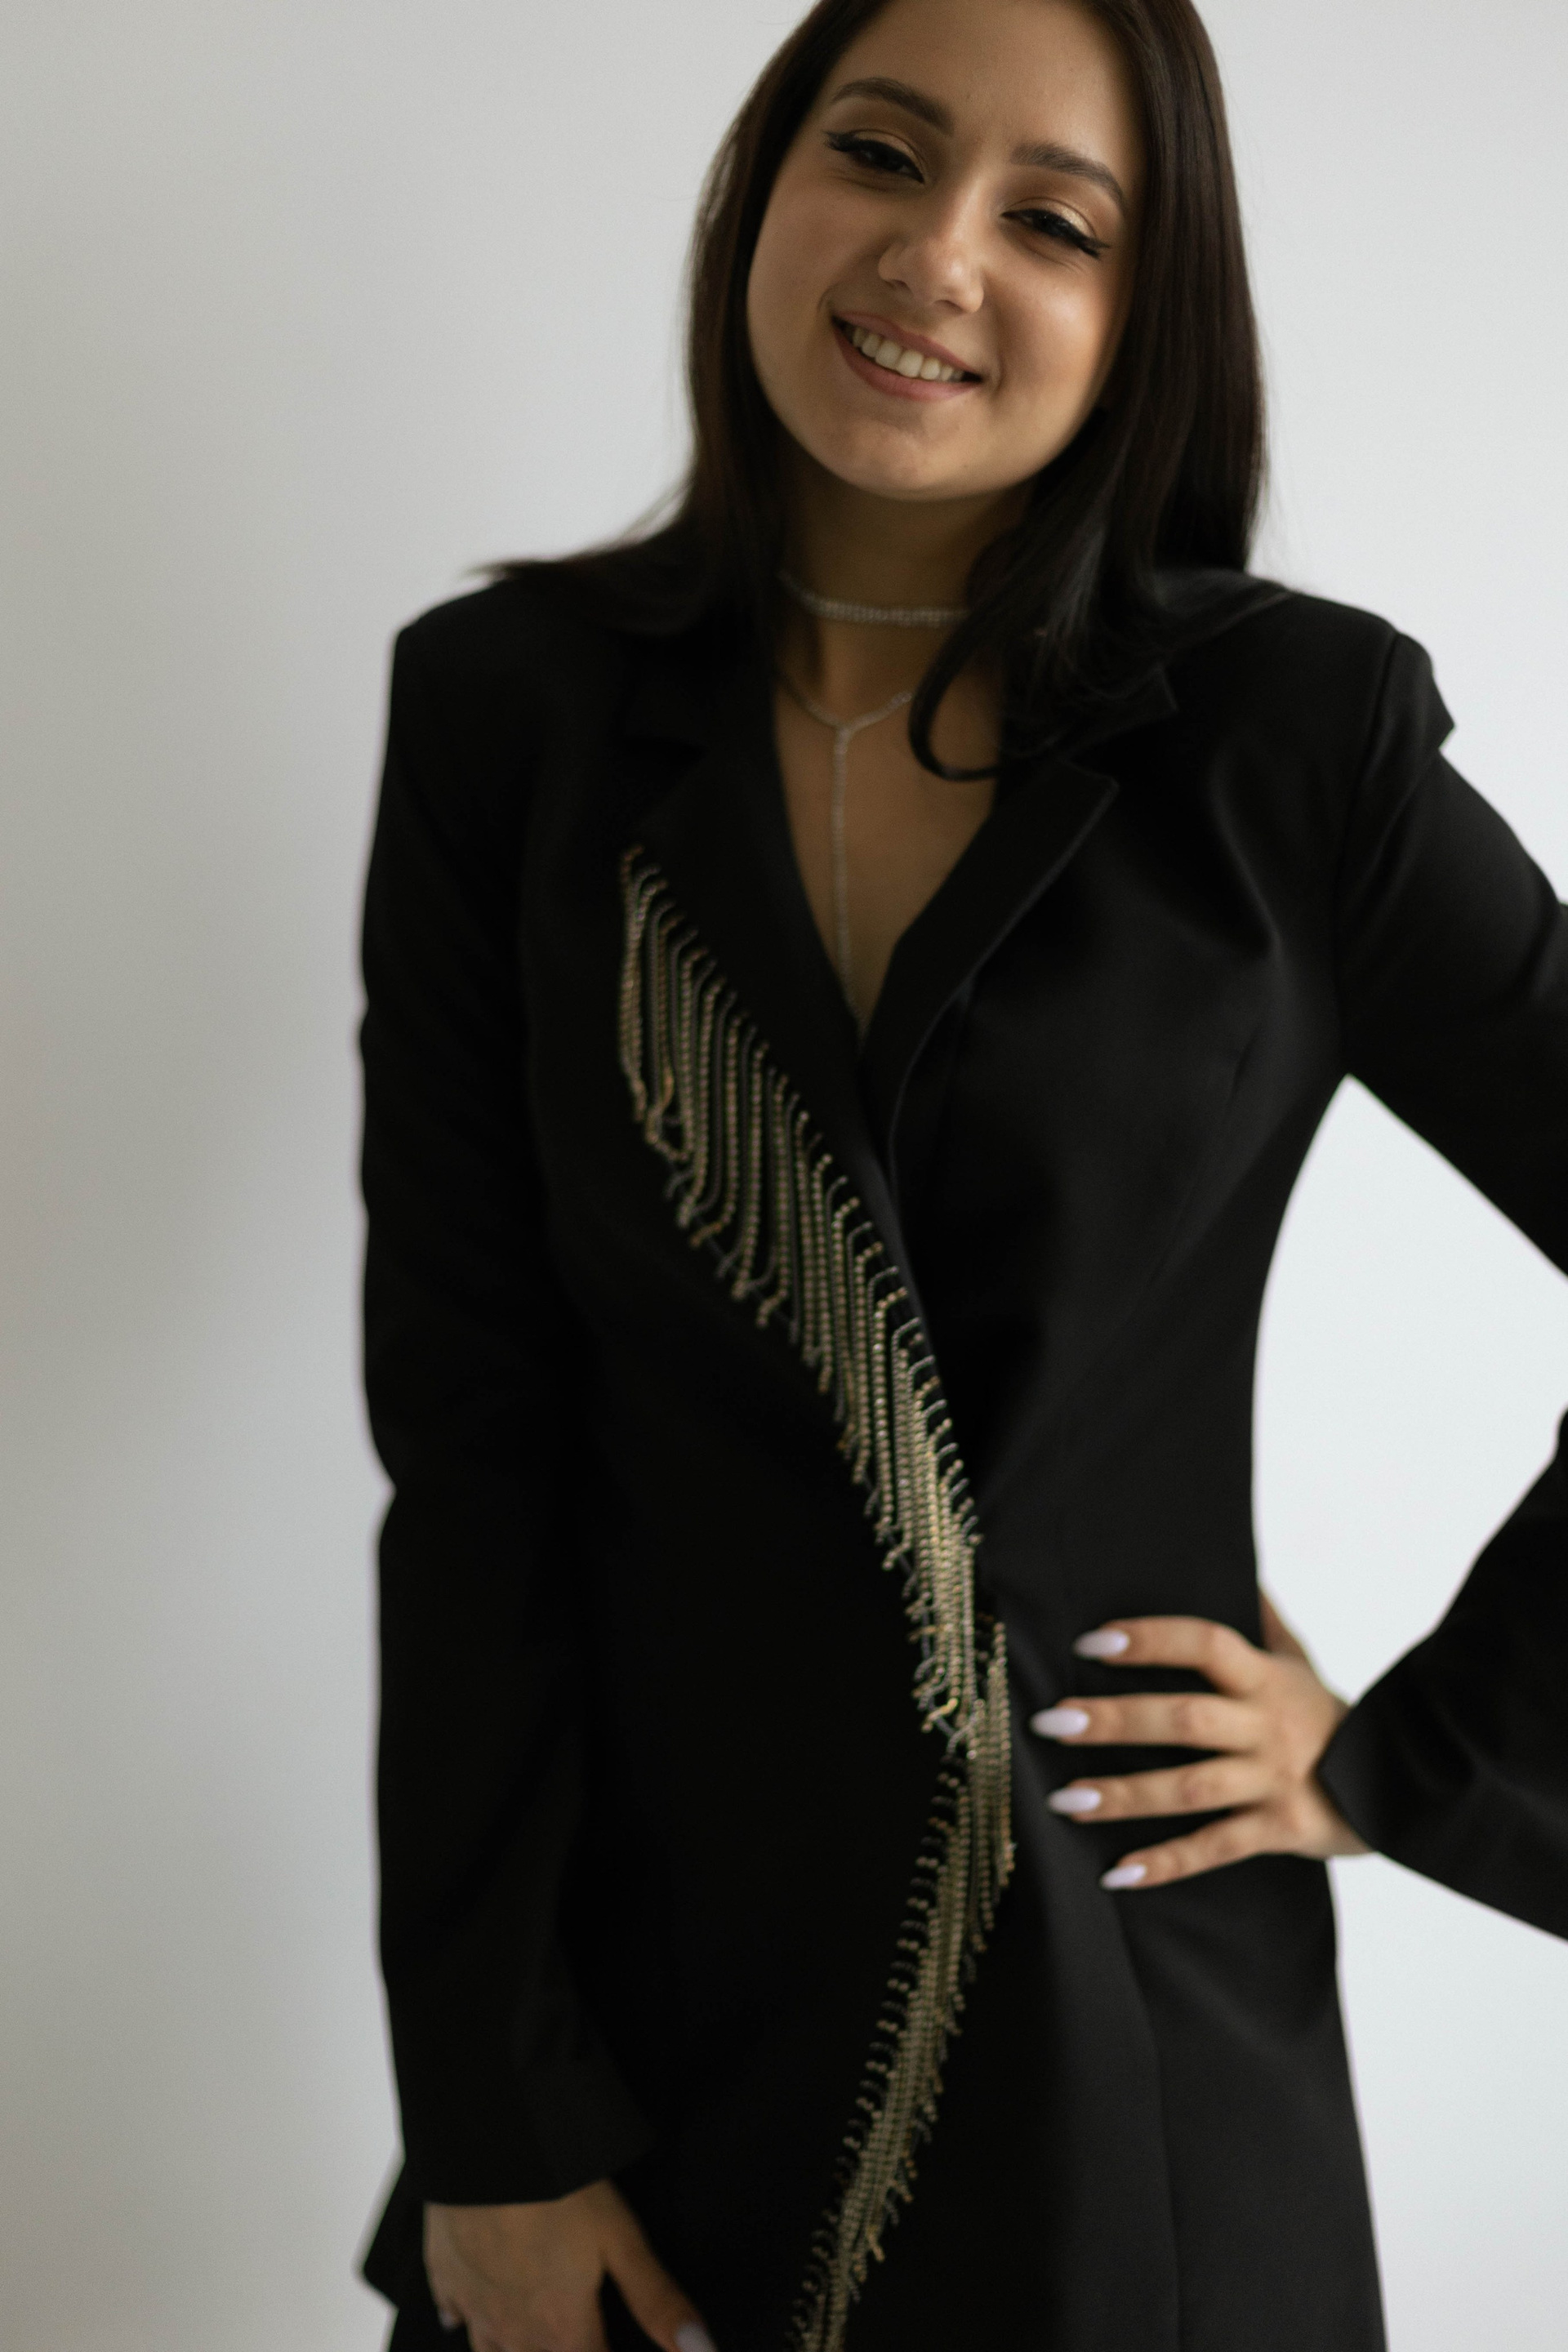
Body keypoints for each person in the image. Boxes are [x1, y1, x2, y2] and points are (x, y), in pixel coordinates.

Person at [356, 0, 1568, 2345]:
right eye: (882, 156)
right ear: (763, 183)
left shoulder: (1288, 743)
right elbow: (474, 1444)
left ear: (1148, 313)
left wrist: (1421, 1760)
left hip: (1136, 2043)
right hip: (634, 2048)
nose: (936, 257)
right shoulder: (514, 715)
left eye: (1056, 222)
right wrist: (494, 2122)